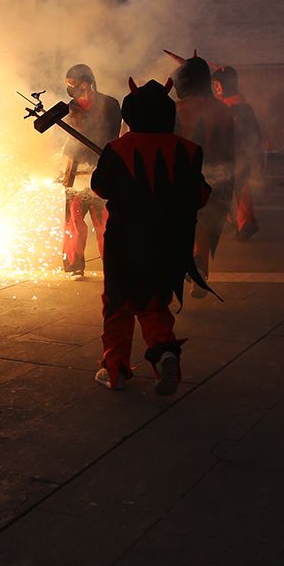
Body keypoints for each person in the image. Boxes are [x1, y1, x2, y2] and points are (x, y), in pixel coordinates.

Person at [90, 77, 212, 394]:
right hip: (168, 241)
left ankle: (114, 369)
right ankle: (165, 351)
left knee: (118, 302)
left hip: (124, 242)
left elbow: (100, 188)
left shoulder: (118, 148)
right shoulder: (188, 150)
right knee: (154, 300)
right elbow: (200, 195)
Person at [172, 55, 236, 296]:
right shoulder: (223, 109)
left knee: (183, 226)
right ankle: (200, 269)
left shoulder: (178, 109)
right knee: (207, 224)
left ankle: (187, 270)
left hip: (185, 178)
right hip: (218, 177)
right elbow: (231, 146)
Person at [54, 63, 122, 279]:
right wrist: (63, 169)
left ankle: (113, 265)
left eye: (71, 84)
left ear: (85, 83)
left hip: (103, 170)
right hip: (76, 171)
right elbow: (69, 141)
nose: (70, 89)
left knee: (106, 223)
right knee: (73, 221)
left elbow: (111, 134)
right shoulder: (70, 107)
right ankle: (75, 266)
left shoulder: (110, 105)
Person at [211, 65, 263, 240]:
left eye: (218, 84)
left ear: (226, 85)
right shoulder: (239, 104)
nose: (215, 88)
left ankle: (244, 224)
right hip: (238, 154)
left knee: (237, 187)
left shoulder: (234, 107)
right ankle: (239, 222)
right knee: (234, 188)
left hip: (236, 154)